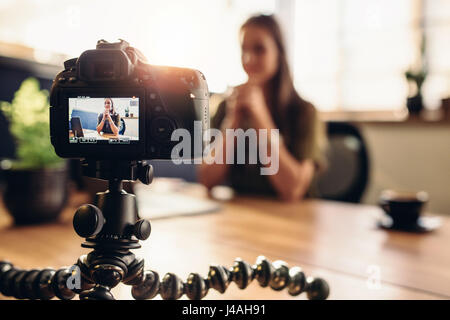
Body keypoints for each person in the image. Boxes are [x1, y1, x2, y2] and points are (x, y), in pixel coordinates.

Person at [198, 14, 327, 202]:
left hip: (294, 221)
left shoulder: (304, 112)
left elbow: (293, 190)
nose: (249, 59)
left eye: (260, 49)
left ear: (279, 53)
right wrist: (232, 122)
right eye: (244, 50)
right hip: (245, 218)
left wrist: (261, 117)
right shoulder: (228, 106)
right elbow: (206, 180)